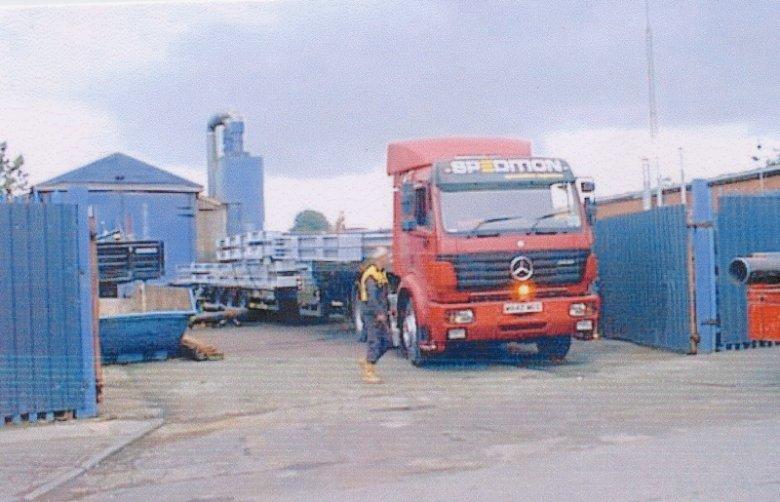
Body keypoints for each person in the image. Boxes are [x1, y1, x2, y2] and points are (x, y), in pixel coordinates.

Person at [358, 247, 391, 384]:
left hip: (380, 313)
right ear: (380, 259)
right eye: (386, 257)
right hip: (371, 313)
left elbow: (383, 296)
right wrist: (379, 313)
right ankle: (368, 372)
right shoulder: (371, 275)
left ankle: (367, 361)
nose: (388, 259)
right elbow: (371, 298)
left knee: (387, 341)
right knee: (375, 341)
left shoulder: (381, 273)